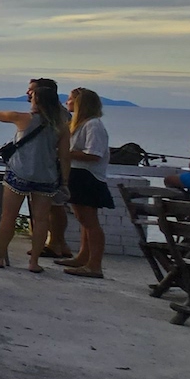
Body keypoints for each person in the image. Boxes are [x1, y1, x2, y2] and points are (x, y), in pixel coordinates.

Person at [0, 80, 71, 273]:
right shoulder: (62, 126)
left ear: (37, 100)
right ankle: (34, 262)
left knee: (8, 217)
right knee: (42, 220)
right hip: (46, 177)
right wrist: (65, 182)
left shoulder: (22, 118)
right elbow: (64, 156)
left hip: (19, 173)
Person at [60, 88, 113, 278]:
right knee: (83, 220)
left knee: (91, 222)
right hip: (78, 175)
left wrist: (65, 152)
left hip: (88, 177)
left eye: (70, 100)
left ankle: (95, 264)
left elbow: (94, 154)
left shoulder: (93, 125)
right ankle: (83, 256)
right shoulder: (79, 124)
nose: (67, 103)